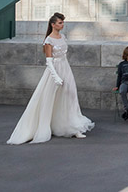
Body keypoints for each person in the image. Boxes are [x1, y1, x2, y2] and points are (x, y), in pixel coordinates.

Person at [7, 13, 95, 144]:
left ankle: (73, 127)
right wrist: (56, 77)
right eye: (60, 23)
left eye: (62, 22)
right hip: (54, 71)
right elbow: (49, 61)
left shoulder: (63, 37)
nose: (62, 24)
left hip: (66, 68)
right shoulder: (48, 40)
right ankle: (44, 126)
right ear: (52, 24)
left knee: (70, 97)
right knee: (48, 99)